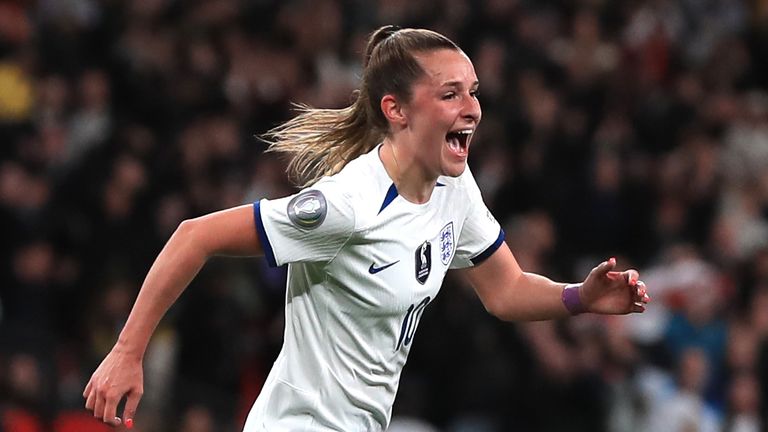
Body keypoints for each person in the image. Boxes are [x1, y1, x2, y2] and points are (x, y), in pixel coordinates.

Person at [83, 25, 650, 431]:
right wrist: (127, 352)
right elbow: (194, 236)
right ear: (396, 110)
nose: (472, 108)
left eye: (473, 91)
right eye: (450, 94)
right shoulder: (347, 206)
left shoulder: (454, 186)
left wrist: (579, 297)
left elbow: (505, 290)